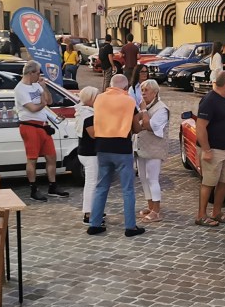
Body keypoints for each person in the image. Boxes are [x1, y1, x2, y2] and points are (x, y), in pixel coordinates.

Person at [87, 74, 145, 238]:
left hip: (102, 146)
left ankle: (94, 224)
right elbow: (136, 128)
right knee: (127, 189)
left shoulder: (99, 99)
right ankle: (130, 226)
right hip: (121, 148)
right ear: (125, 87)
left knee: (101, 187)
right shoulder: (128, 101)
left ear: (110, 85)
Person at [14, 61, 69, 201]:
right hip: (29, 125)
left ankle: (52, 185)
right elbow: (33, 108)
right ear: (31, 73)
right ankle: (33, 188)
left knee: (51, 156)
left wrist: (44, 88)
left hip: (42, 125)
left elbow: (49, 101)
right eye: (38, 73)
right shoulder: (20, 89)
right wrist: (43, 103)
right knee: (32, 158)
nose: (39, 76)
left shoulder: (36, 85)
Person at [195, 71, 225, 226]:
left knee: (224, 181)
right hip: (214, 149)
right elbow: (200, 127)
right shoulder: (210, 100)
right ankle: (201, 215)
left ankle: (217, 212)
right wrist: (206, 150)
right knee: (209, 182)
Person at [133, 79, 169, 223]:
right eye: (142, 90)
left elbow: (149, 126)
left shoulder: (161, 109)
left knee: (152, 178)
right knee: (143, 178)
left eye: (146, 90)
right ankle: (150, 206)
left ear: (155, 92)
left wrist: (142, 111)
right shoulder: (143, 106)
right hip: (141, 147)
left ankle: (156, 210)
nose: (143, 93)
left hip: (154, 148)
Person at [74, 86, 99, 223]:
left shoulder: (82, 111)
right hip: (90, 153)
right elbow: (94, 134)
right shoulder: (88, 114)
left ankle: (94, 209)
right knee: (91, 183)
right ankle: (88, 213)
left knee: (92, 182)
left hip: (85, 151)